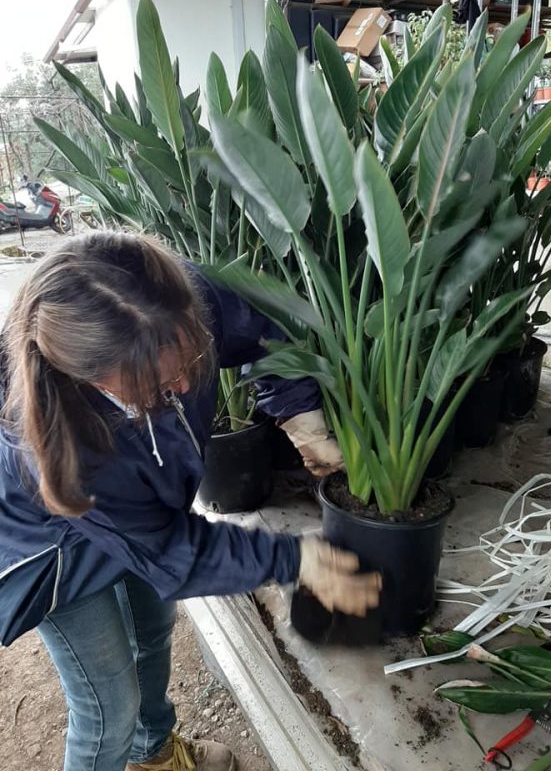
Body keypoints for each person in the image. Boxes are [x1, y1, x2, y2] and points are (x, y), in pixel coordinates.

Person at [0, 233, 381, 771]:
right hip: (58, 547)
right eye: (152, 387)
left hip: (140, 517)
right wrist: (295, 559)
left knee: (154, 632)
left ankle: (155, 755)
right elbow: (170, 551)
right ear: (85, 377)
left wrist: (299, 411)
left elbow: (262, 328)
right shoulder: (61, 443)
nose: (182, 384)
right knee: (108, 707)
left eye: (191, 357)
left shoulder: (174, 296)